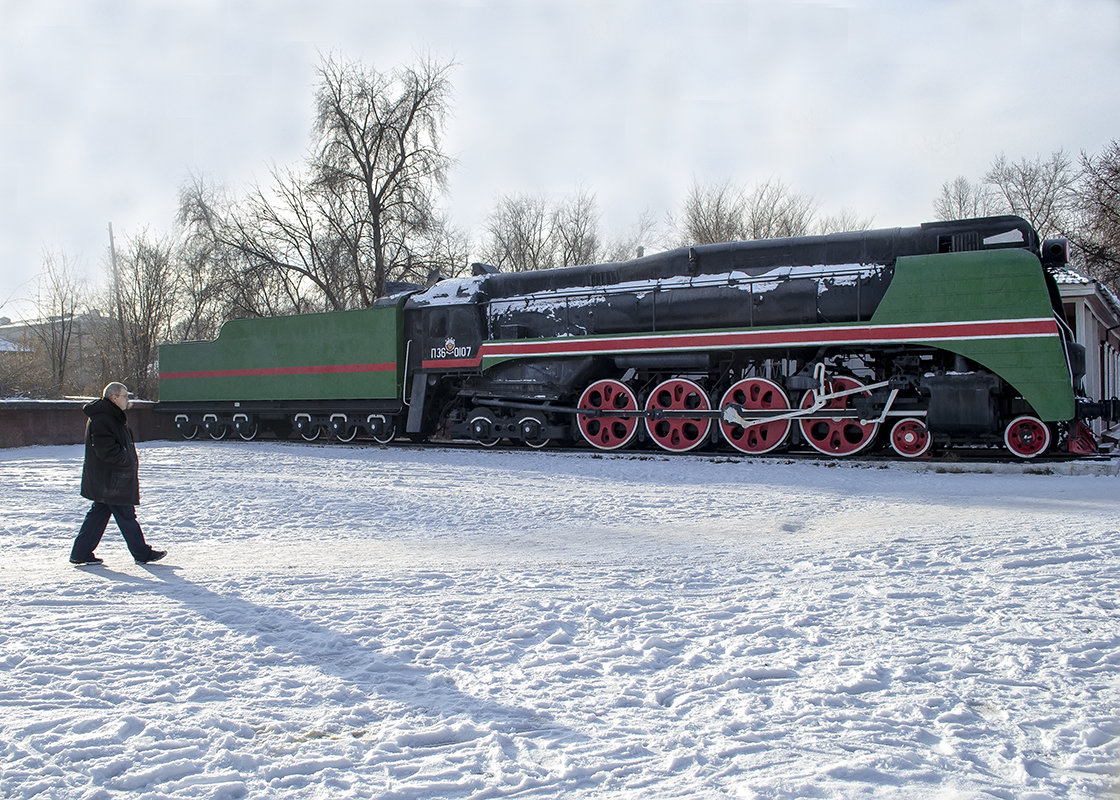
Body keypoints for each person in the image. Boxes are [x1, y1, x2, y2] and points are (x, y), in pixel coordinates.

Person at [69, 382, 166, 566]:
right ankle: (142, 553)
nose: (127, 400)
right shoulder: (103, 419)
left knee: (98, 515)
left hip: (108, 479)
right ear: (114, 398)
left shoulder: (109, 416)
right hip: (112, 480)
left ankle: (80, 554)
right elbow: (105, 449)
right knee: (126, 516)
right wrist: (126, 460)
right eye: (125, 396)